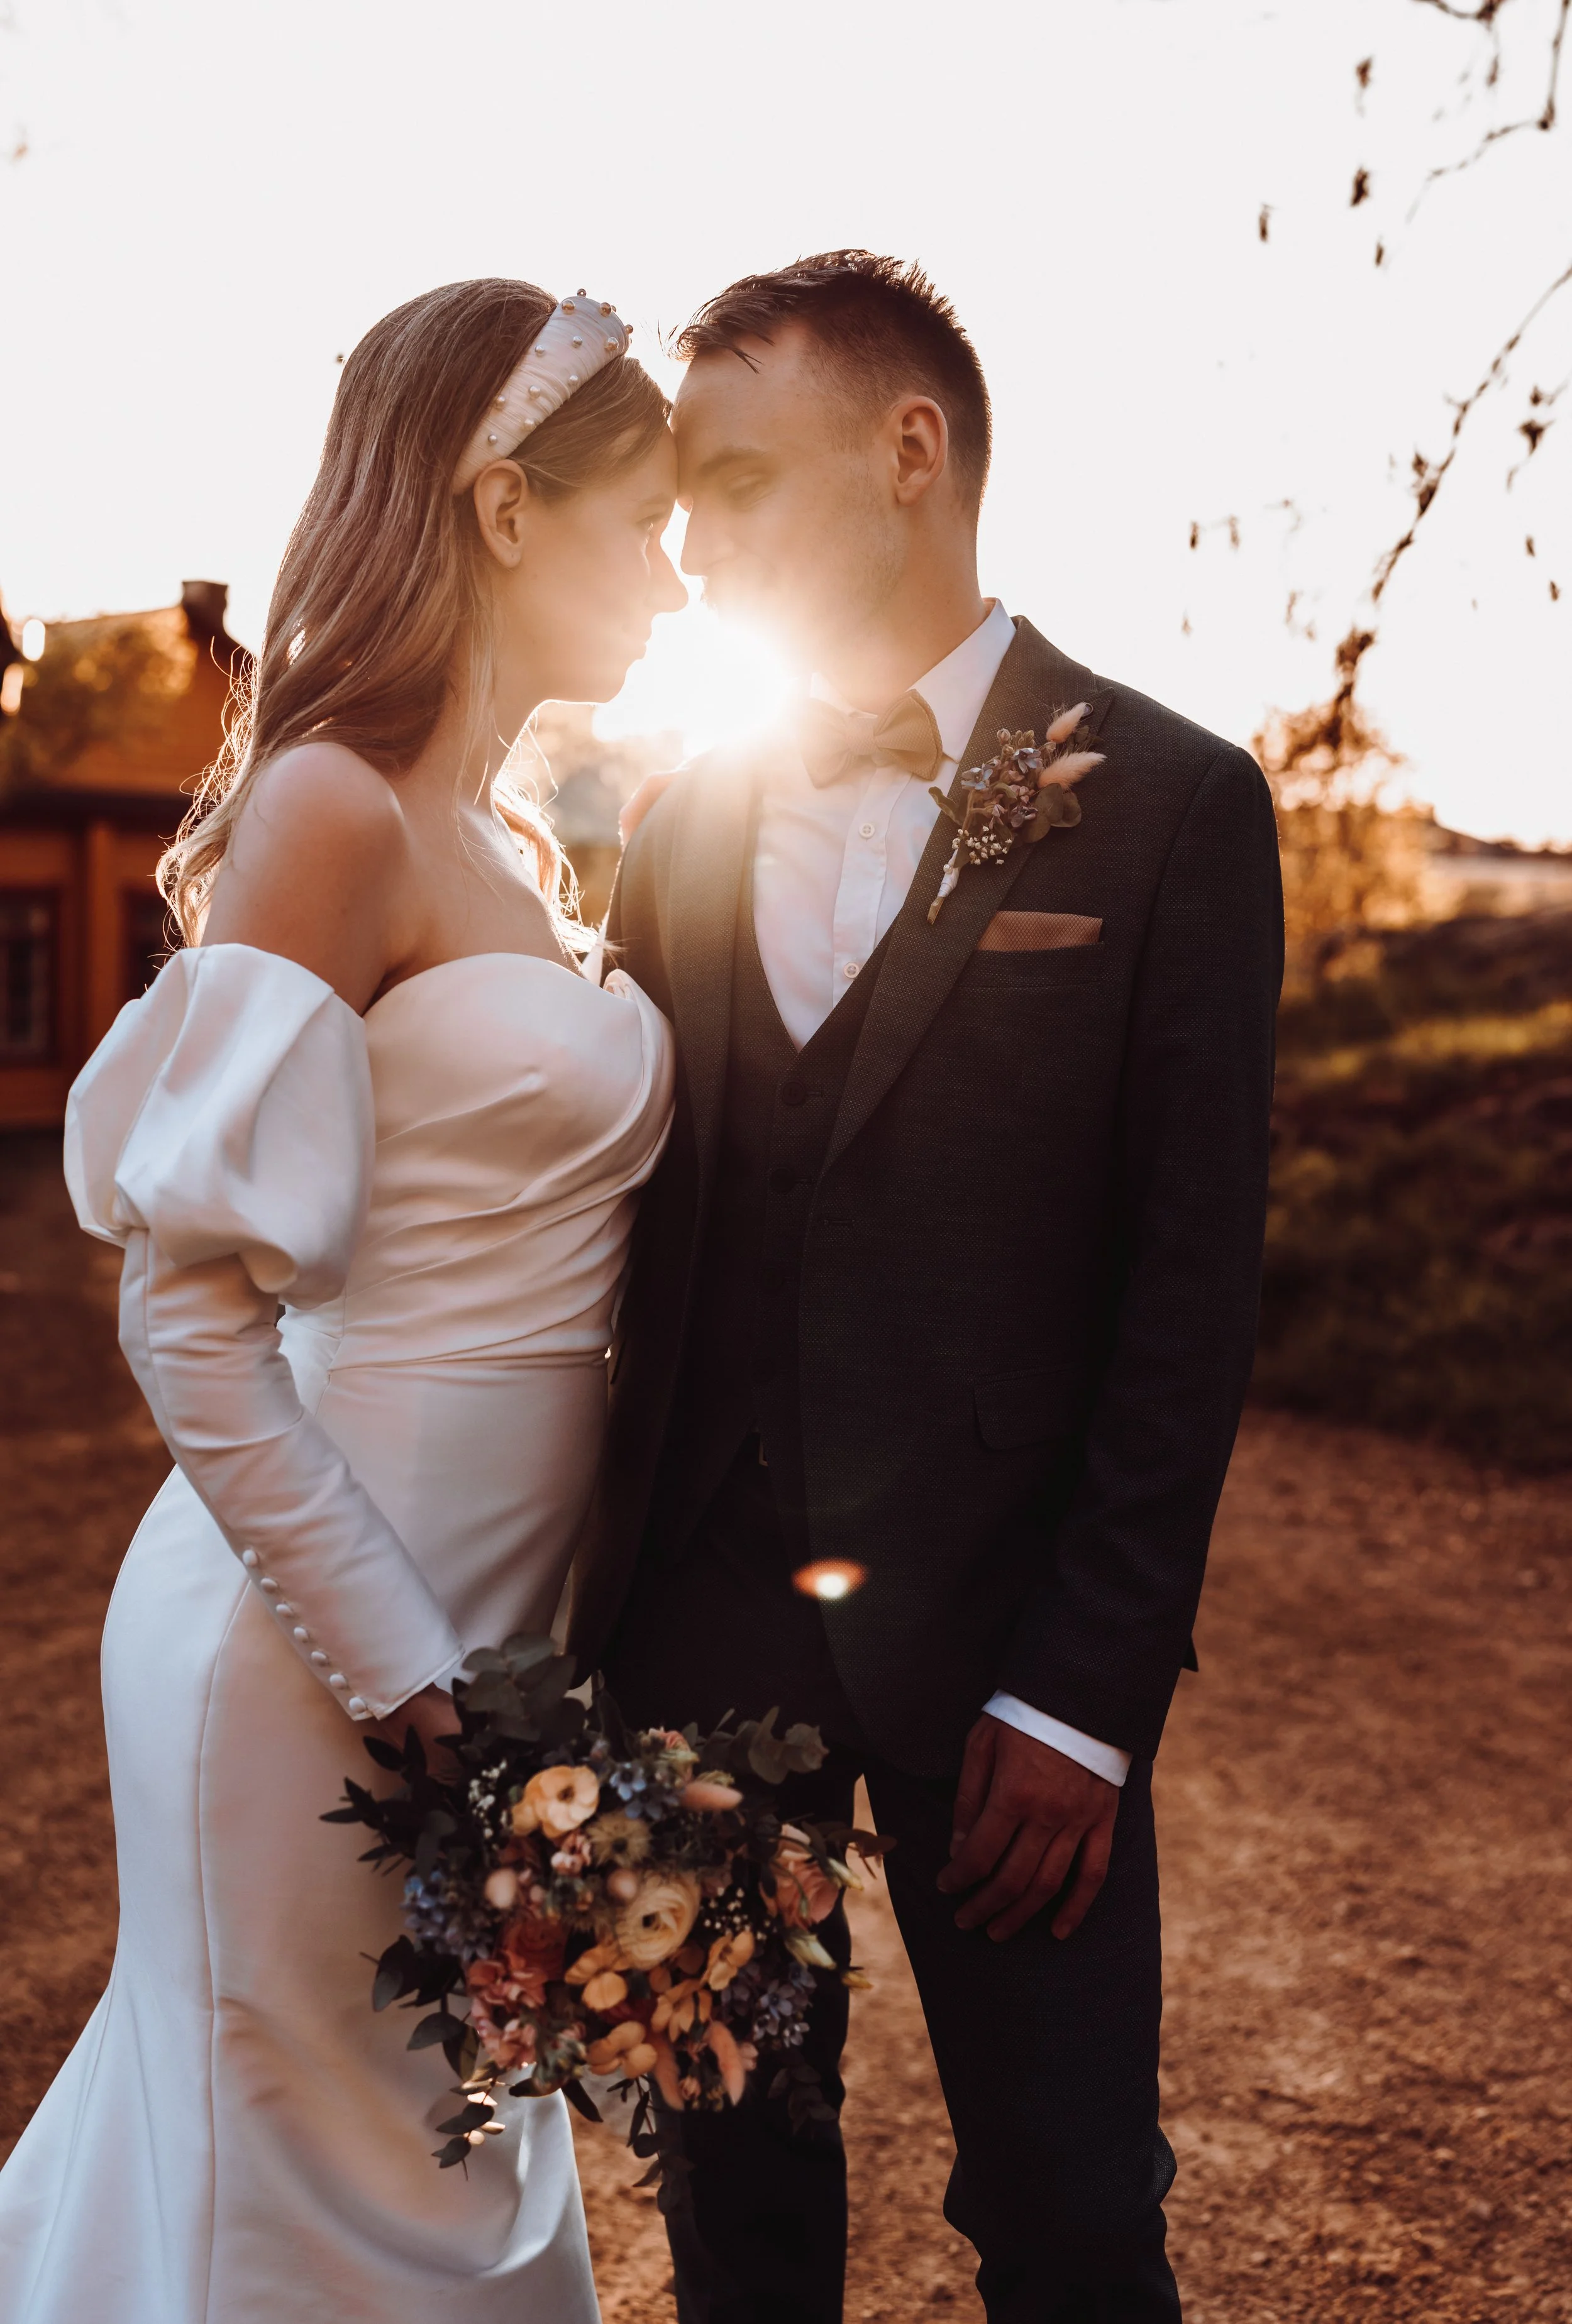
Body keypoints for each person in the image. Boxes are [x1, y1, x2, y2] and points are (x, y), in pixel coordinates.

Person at [572, 251, 1285, 2323]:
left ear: (909, 452)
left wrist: (1085, 1697)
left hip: (1009, 1655)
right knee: (733, 2206)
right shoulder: (682, 820)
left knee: (1069, 2216)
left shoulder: (1172, 809)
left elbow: (1185, 1299)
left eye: (735, 483)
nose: (693, 547)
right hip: (700, 1629)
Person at [0, 277, 681, 2323]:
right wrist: (405, 1675)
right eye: (640, 526)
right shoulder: (331, 808)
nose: (672, 582)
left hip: (497, 1658)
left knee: (460, 2161)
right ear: (504, 508)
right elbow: (186, 1320)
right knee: (294, 2200)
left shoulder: (516, 847)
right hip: (316, 1655)